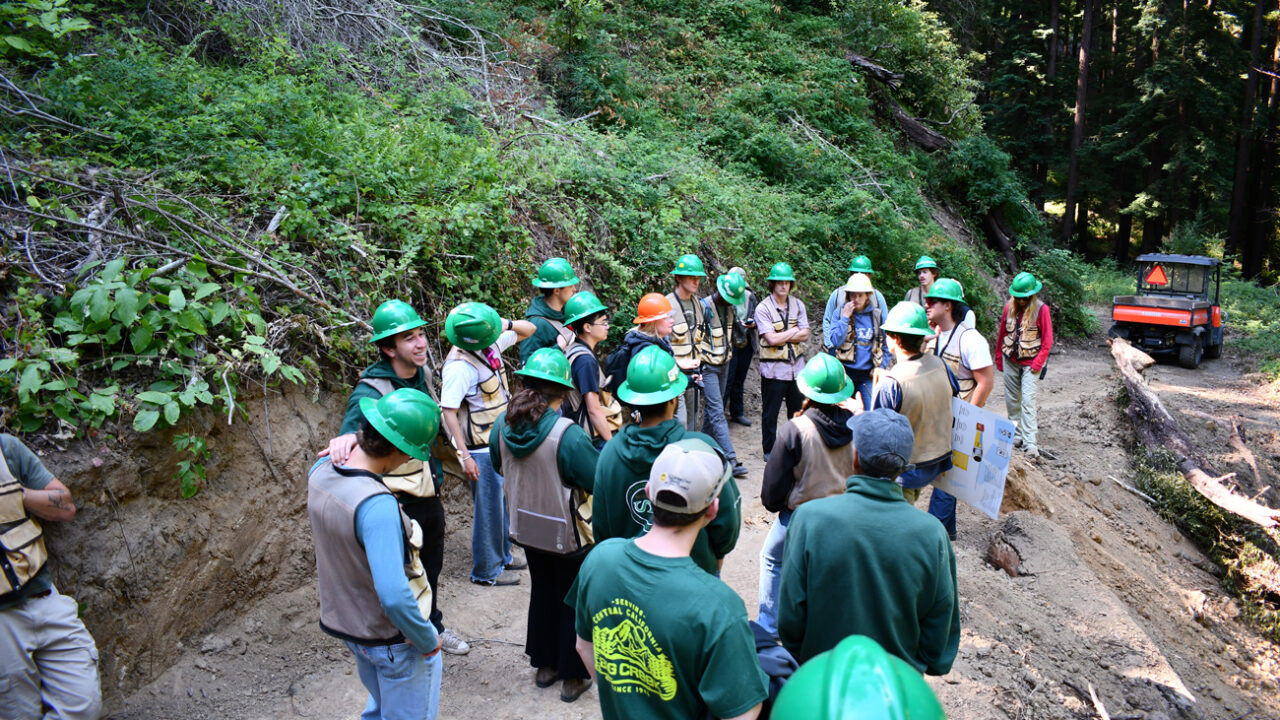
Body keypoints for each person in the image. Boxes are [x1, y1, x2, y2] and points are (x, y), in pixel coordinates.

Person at [568, 439, 768, 720]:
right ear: (712, 510)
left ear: (649, 493)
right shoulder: (720, 607)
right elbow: (742, 713)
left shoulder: (599, 561)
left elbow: (583, 644)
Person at [322, 299, 470, 655]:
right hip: (397, 502)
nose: (420, 343)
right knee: (405, 576)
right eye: (409, 339)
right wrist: (343, 438)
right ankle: (404, 639)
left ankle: (431, 625)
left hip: (428, 494)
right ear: (388, 348)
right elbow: (350, 440)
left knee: (430, 570)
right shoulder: (371, 391)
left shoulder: (422, 378)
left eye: (421, 334)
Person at [777, 408, 960, 674]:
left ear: (855, 458)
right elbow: (940, 626)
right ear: (904, 466)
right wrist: (918, 664)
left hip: (821, 677)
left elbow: (790, 618)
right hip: (897, 682)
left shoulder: (808, 519)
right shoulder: (933, 534)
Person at [308, 389, 445, 720]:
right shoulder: (376, 505)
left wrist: (347, 440)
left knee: (379, 708)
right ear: (398, 450)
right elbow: (394, 596)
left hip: (352, 629)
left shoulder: (322, 469)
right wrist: (426, 638)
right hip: (392, 640)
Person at [490, 348, 600, 702]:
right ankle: (573, 675)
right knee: (572, 598)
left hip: (526, 527)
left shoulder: (500, 425)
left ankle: (545, 665)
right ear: (562, 390)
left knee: (542, 590)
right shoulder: (567, 434)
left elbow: (497, 464)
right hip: (567, 531)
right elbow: (594, 477)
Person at [592, 345, 742, 576]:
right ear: (675, 398)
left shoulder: (610, 452)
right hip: (693, 574)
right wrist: (715, 560)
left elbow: (601, 527)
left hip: (627, 576)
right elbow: (726, 521)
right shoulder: (701, 449)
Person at [0, 434, 101, 720]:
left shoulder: (7, 449)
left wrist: (16, 495)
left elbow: (66, 506)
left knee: (84, 705)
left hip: (45, 599)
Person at [757, 354, 855, 640]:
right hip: (841, 517)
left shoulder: (794, 430)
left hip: (798, 518)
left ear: (805, 389)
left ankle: (769, 624)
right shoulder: (854, 426)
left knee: (772, 559)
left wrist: (778, 505)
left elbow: (771, 490)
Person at [440, 301, 536, 586]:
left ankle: (503, 556)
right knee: (489, 510)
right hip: (479, 450)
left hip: (497, 442)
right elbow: (449, 412)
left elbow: (529, 329)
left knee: (503, 504)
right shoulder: (459, 367)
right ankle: (487, 571)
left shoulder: (487, 343)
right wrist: (464, 455)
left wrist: (502, 323)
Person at [922, 279, 994, 538]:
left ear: (948, 306)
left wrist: (969, 418)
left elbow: (986, 382)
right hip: (938, 417)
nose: (926, 304)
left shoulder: (970, 339)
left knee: (947, 474)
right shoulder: (934, 336)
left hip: (959, 419)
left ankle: (935, 531)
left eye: (933, 301)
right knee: (944, 475)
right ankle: (947, 530)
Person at [872, 303, 957, 511]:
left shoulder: (892, 382)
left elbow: (875, 437)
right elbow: (954, 393)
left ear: (895, 339)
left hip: (907, 470)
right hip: (937, 460)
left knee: (896, 518)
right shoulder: (940, 364)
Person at [770, 635, 946, 719]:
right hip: (906, 681)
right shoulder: (936, 558)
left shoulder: (799, 698)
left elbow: (791, 622)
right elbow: (937, 640)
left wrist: (804, 659)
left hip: (814, 676)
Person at [995, 271, 1054, 459]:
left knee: (1028, 402)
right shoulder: (1008, 307)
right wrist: (998, 357)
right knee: (1012, 400)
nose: (1021, 301)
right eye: (1018, 297)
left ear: (1031, 294)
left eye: (1024, 297)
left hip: (1032, 362)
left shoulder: (1041, 309)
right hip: (1010, 359)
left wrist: (1038, 363)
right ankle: (1016, 435)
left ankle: (1030, 443)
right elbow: (1002, 333)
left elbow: (1047, 340)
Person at [754, 262, 810, 460]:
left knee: (797, 412)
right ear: (772, 284)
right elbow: (771, 339)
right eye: (779, 282)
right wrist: (794, 331)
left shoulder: (798, 305)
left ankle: (795, 448)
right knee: (770, 414)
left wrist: (785, 334)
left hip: (797, 369)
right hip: (773, 370)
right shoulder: (763, 308)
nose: (783, 286)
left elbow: (805, 335)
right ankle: (769, 450)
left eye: (787, 282)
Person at [700, 272, 749, 478]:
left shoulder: (730, 309)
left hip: (724, 363)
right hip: (708, 367)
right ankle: (730, 458)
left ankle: (700, 446)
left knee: (713, 410)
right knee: (718, 411)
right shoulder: (704, 307)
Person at [561, 291, 623, 446]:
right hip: (592, 438)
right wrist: (611, 444)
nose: (607, 327)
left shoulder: (572, 350)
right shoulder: (585, 361)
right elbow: (593, 409)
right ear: (587, 327)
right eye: (603, 323)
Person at [825, 273, 890, 409]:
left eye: (860, 295)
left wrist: (881, 367)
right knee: (842, 416)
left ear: (868, 295)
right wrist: (845, 318)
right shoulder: (840, 312)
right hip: (844, 374)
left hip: (868, 376)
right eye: (853, 295)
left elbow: (887, 344)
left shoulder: (877, 315)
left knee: (868, 415)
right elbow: (835, 341)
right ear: (848, 295)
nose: (856, 299)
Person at [666, 254, 708, 429]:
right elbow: (660, 345)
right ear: (678, 277)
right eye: (691, 277)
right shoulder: (667, 305)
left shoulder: (699, 304)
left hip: (694, 374)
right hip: (673, 376)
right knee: (676, 423)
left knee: (692, 421)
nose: (696, 282)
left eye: (698, 278)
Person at [520, 257, 581, 365]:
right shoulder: (537, 324)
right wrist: (558, 348)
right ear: (557, 290)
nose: (574, 289)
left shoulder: (565, 314)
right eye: (570, 285)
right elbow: (528, 365)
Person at [822, 255, 889, 347]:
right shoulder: (838, 294)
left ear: (870, 275)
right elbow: (827, 320)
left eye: (863, 273)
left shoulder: (877, 296)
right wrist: (830, 345)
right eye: (855, 272)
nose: (859, 275)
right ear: (851, 274)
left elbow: (885, 324)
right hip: (841, 348)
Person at [725, 266, 758, 427]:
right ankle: (719, 416)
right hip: (729, 344)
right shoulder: (725, 296)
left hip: (746, 342)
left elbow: (759, 317)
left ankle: (737, 412)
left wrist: (753, 323)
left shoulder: (750, 296)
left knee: (739, 379)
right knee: (727, 379)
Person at [905, 255, 976, 326]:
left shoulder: (943, 292)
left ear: (934, 273)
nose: (921, 276)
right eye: (919, 273)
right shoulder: (911, 294)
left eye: (925, 272)